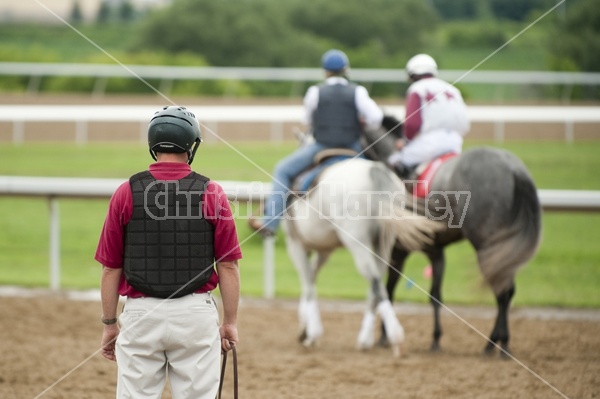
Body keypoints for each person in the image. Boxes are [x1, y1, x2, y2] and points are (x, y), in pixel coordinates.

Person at [96, 105, 242, 398]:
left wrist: (110, 324)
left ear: (153, 146)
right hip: (195, 317)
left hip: (140, 315)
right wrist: (229, 323)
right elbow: (228, 266)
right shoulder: (212, 192)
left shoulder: (126, 192)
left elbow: (111, 268)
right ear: (191, 146)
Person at [249, 49, 383, 236]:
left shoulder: (315, 92)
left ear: (325, 72)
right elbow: (376, 118)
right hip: (352, 147)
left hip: (322, 146)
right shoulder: (358, 91)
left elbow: (307, 121)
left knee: (283, 169)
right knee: (382, 173)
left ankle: (270, 223)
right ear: (346, 70)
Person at [387, 53, 470, 179]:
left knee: (394, 160)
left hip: (429, 144)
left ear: (413, 75)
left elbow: (412, 124)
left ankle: (405, 197)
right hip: (455, 143)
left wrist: (405, 141)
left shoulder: (417, 88)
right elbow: (465, 124)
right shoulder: (453, 90)